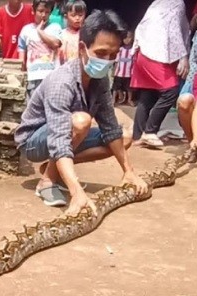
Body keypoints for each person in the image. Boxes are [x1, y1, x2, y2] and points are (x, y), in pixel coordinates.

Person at [15, 10, 148, 215]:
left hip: (65, 135)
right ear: (82, 49)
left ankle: (56, 171)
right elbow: (59, 139)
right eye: (101, 53)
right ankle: (47, 180)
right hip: (34, 141)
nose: (107, 60)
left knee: (125, 137)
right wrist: (76, 192)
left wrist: (129, 172)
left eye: (113, 55)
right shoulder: (62, 81)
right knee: (81, 121)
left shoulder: (101, 80)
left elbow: (110, 128)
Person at [131, 0, 190, 148]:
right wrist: (183, 57)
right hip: (157, 54)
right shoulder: (177, 3)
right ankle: (150, 132)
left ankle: (138, 136)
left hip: (143, 51)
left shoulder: (158, 3)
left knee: (148, 95)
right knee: (171, 91)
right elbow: (175, 30)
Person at [18, 0, 62, 98]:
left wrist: (39, 31)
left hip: (52, 78)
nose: (43, 15)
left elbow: (55, 43)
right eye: (40, 11)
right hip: (33, 78)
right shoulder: (26, 30)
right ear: (33, 11)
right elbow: (21, 58)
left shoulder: (55, 27)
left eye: (47, 12)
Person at [113, 31, 134, 105]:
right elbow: (116, 61)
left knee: (129, 88)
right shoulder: (120, 49)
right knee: (116, 86)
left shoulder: (133, 50)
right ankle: (113, 100)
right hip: (119, 72)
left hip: (129, 73)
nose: (127, 40)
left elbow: (134, 62)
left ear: (132, 38)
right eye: (125, 38)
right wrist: (114, 72)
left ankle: (129, 100)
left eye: (129, 37)